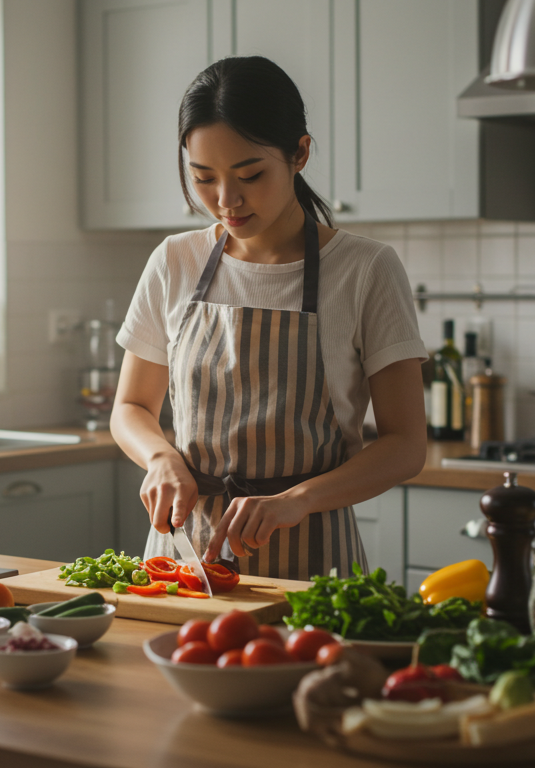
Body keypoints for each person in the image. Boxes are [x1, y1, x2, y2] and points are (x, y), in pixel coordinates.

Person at [110, 56, 429, 580]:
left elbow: (405, 446)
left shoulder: (366, 269)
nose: (226, 200)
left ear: (299, 153)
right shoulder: (174, 260)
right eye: (203, 178)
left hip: (313, 559)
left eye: (250, 175)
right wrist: (160, 458)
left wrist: (296, 500)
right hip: (184, 558)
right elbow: (130, 406)